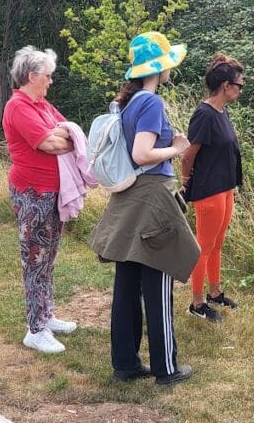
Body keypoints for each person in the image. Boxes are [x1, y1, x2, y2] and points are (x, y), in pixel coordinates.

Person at [89, 32, 200, 385]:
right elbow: (142, 154)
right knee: (159, 278)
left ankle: (125, 363)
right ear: (159, 67)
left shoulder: (130, 102)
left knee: (128, 281)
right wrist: (177, 149)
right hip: (153, 197)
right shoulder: (151, 103)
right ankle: (166, 368)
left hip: (130, 198)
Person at [1, 46, 79, 355]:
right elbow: (53, 143)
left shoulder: (41, 105)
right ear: (32, 76)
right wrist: (61, 136)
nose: (50, 81)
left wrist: (64, 135)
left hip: (51, 192)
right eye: (47, 76)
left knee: (48, 258)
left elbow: (71, 134)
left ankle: (46, 315)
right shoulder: (18, 106)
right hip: (32, 193)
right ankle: (35, 330)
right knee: (34, 259)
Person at [180, 53, 245, 323]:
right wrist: (186, 182)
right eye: (239, 84)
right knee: (203, 246)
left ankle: (215, 293)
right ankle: (197, 303)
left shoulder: (221, 111)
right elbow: (188, 154)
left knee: (217, 244)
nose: (241, 89)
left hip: (225, 187)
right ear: (226, 86)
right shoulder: (204, 114)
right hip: (208, 190)